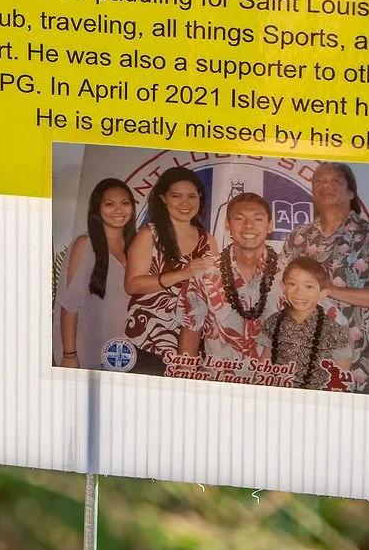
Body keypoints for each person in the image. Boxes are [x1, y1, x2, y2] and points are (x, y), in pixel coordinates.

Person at [279, 162, 369, 393]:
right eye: (319, 182)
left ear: (351, 192)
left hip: (363, 359)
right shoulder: (297, 237)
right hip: (306, 357)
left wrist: (329, 290)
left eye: (335, 182)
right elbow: (281, 295)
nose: (326, 187)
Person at [122, 166, 215, 375]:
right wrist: (183, 273)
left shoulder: (208, 241)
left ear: (200, 197)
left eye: (192, 196)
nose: (185, 203)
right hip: (147, 342)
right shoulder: (148, 235)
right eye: (176, 196)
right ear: (163, 198)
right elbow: (131, 285)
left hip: (190, 349)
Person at [183, 192, 282, 380]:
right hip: (216, 381)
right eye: (239, 218)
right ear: (227, 224)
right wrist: (182, 379)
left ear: (270, 225)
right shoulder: (205, 273)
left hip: (272, 385)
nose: (249, 226)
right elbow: (190, 332)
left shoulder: (289, 276)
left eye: (258, 219)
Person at [57, 179, 136, 370]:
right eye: (110, 204)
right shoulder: (86, 244)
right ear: (97, 209)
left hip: (132, 353)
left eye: (125, 203)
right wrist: (69, 355)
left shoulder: (138, 244)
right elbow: (69, 305)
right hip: (92, 354)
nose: (119, 210)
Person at [264, 256, 356, 391]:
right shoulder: (274, 322)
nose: (299, 292)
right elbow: (265, 363)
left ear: (323, 293)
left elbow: (342, 373)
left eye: (309, 286)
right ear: (283, 286)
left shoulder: (335, 331)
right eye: (292, 284)